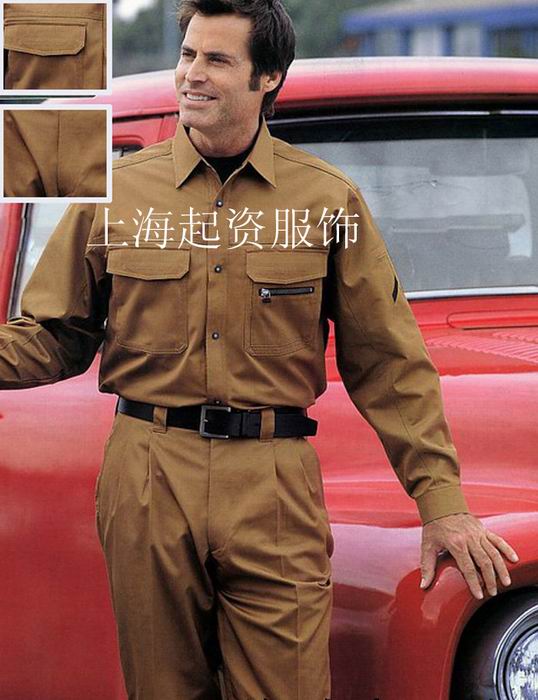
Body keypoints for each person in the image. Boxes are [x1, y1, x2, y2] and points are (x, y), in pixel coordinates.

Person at [0, 0, 519, 698]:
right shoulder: (117, 194)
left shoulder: (327, 201)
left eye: (217, 60)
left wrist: (442, 502)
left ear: (267, 76)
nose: (192, 74)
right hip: (148, 473)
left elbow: (388, 363)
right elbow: (53, 336)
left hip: (273, 479)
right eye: (188, 55)